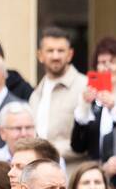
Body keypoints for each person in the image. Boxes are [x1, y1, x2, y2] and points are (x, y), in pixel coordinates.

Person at [29, 27, 86, 169]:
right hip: (40, 173)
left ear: (70, 54)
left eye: (61, 51)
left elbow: (88, 140)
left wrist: (45, 152)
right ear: (40, 55)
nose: (55, 56)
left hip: (73, 175)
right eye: (50, 51)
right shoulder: (35, 94)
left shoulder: (84, 87)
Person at [71, 36, 116, 160]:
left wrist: (114, 108)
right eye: (101, 62)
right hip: (97, 173)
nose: (107, 67)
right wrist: (84, 106)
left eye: (114, 62)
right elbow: (78, 146)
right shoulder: (94, 99)